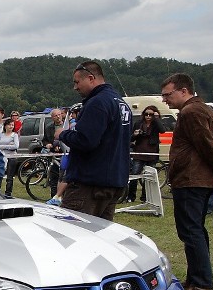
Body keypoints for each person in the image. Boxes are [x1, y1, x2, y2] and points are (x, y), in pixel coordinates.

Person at [162, 73, 213, 290]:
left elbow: (209, 146)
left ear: (183, 91)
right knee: (196, 230)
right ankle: (196, 279)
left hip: (192, 180)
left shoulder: (191, 112)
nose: (164, 100)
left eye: (168, 95)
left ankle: (202, 283)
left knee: (191, 231)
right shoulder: (208, 111)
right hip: (202, 180)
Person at [54, 61, 132, 220]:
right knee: (100, 232)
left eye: (77, 82)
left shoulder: (97, 103)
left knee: (71, 231)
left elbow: (86, 141)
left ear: (90, 78)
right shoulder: (120, 102)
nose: (75, 87)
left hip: (90, 183)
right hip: (114, 181)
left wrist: (63, 134)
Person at [126, 106, 164, 202]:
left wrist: (157, 118)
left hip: (152, 153)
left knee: (149, 177)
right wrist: (135, 134)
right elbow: (131, 138)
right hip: (139, 152)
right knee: (134, 175)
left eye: (151, 114)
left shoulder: (156, 124)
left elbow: (162, 130)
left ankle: (145, 197)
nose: (148, 116)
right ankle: (131, 197)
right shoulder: (138, 123)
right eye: (146, 114)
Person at [0, 119, 20, 196]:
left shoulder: (15, 135)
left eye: (12, 125)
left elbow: (16, 146)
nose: (11, 126)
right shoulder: (1, 135)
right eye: (9, 124)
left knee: (9, 177)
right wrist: (9, 145)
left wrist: (3, 146)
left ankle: (8, 193)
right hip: (2, 157)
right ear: (5, 126)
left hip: (12, 157)